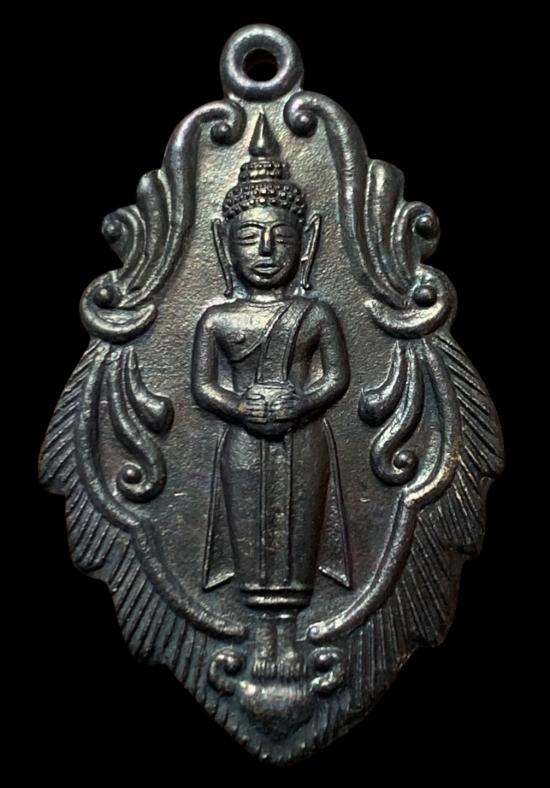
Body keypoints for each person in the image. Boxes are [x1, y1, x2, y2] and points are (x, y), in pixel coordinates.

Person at [191, 114, 351, 677]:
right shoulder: (217, 319)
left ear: (305, 242)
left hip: (303, 438)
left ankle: (293, 635)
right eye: (249, 236)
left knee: (298, 535)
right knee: (250, 537)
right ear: (224, 243)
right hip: (243, 440)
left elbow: (335, 379)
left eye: (280, 237)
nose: (265, 248)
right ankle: (261, 639)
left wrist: (300, 404)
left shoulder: (315, 313)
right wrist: (240, 407)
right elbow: (202, 386)